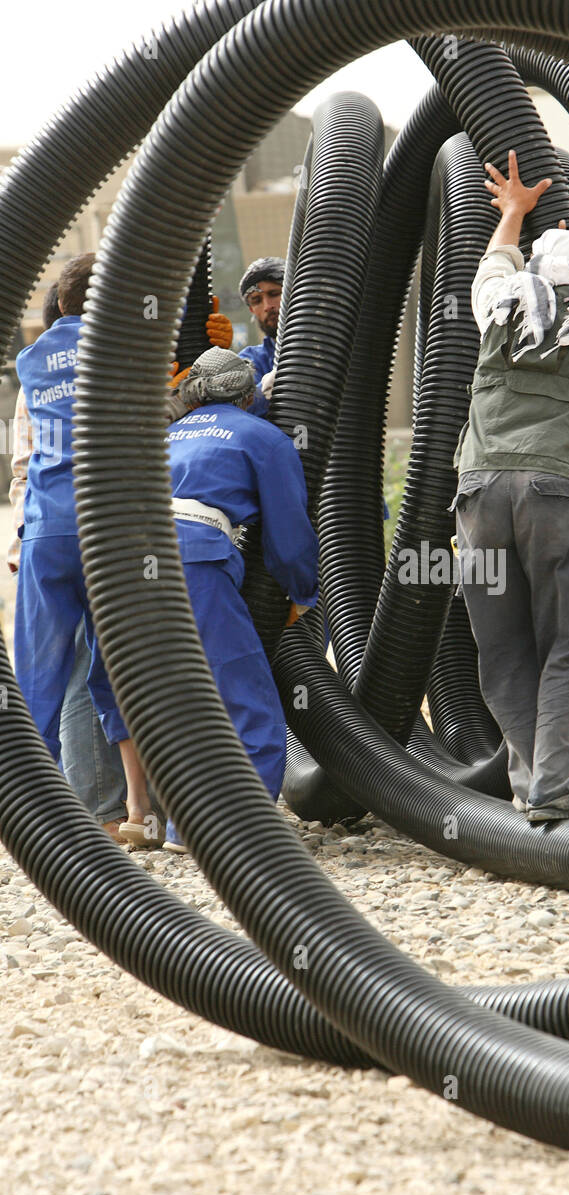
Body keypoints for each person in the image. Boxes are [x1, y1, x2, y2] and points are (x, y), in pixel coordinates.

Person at [451, 150, 569, 825]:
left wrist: (511, 213)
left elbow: (494, 268)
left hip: (478, 494)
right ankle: (559, 791)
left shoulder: (495, 318)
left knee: (504, 647)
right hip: (558, 493)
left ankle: (531, 782)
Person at [12, 255, 159, 840]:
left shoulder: (31, 358)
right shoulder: (126, 353)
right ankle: (140, 812)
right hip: (115, 531)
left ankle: (28, 815)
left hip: (48, 532)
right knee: (118, 672)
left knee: (36, 678)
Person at [164, 346, 319, 848]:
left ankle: (179, 825)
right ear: (251, 394)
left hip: (126, 563)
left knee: (179, 697)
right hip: (196, 562)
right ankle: (244, 831)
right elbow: (289, 532)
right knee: (249, 701)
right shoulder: (262, 436)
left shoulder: (169, 433)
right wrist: (301, 591)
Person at [237, 257, 285, 385]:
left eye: (274, 293)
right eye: (257, 300)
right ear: (252, 310)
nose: (267, 306)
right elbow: (243, 401)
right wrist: (262, 392)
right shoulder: (251, 360)